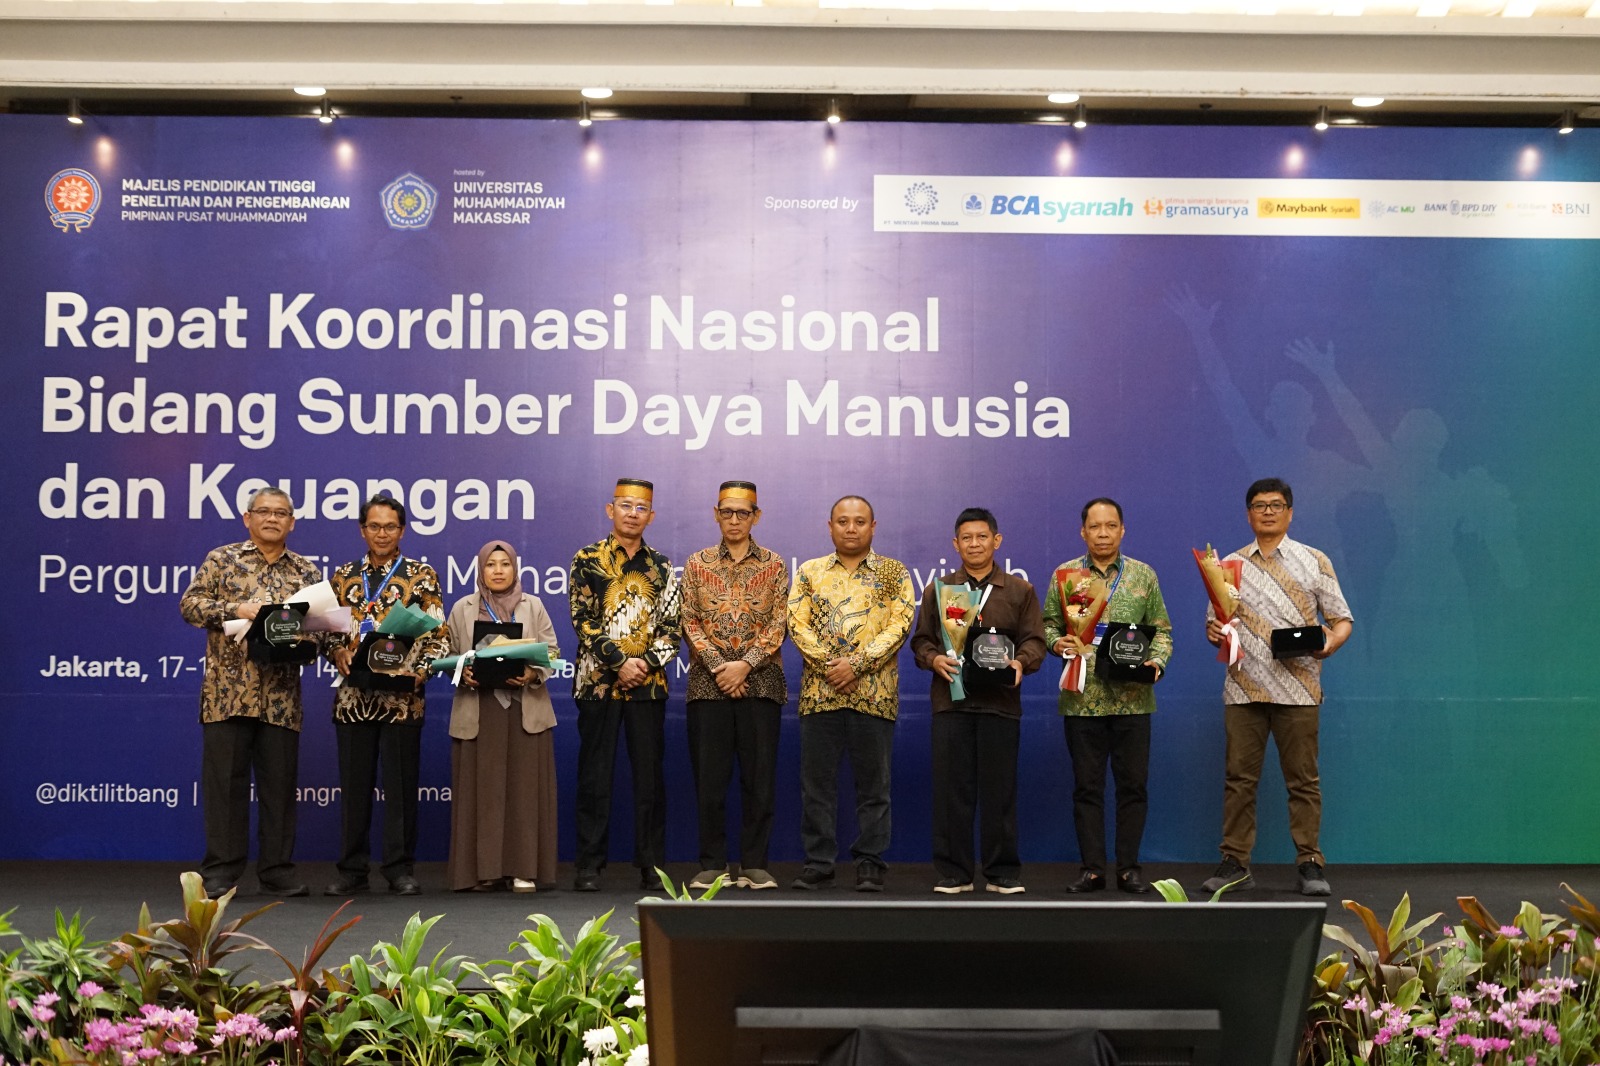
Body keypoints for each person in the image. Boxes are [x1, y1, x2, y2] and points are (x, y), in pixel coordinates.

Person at [1201, 477, 1353, 898]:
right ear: (1248, 513)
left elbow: (1342, 619)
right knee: (1239, 780)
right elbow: (1216, 623)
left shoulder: (1314, 560)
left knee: (1303, 781)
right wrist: (1213, 632)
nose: (1267, 511)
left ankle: (1310, 863)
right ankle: (1235, 863)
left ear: (1290, 512)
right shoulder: (1228, 565)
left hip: (1298, 689)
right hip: (1243, 689)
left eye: (1276, 504)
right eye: (1259, 505)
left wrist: (1330, 643)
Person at [179, 487, 324, 898]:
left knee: (279, 789)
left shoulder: (306, 571)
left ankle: (277, 871)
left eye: (281, 513)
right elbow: (190, 605)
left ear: (292, 522)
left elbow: (323, 629)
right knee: (225, 787)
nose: (272, 518)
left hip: (281, 699)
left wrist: (305, 639)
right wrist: (236, 609)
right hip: (227, 695)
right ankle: (221, 873)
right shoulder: (222, 559)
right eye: (264, 511)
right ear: (248, 518)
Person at [1040, 498, 1173, 895]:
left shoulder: (1143, 575)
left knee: (1133, 788)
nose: (1103, 533)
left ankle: (1129, 869)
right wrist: (1057, 643)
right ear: (1083, 531)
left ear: (1122, 530)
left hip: (1134, 699)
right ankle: (1093, 870)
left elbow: (1162, 631)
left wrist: (1157, 661)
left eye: (1110, 526)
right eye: (1095, 526)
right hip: (1083, 700)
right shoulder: (1066, 575)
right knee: (1087, 788)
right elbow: (1047, 625)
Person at [911, 507, 1046, 895]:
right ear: (956, 544)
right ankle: (955, 871)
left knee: (1000, 792)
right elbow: (921, 641)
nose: (975, 544)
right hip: (951, 705)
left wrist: (1021, 662)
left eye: (982, 537)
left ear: (996, 541)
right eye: (966, 538)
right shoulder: (939, 590)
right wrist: (934, 659)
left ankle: (1002, 872)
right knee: (952, 792)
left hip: (1000, 704)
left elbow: (1035, 641)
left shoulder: (1020, 591)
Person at [787, 495, 916, 892]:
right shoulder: (809, 572)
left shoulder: (894, 573)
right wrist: (833, 666)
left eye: (860, 521)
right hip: (819, 695)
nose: (851, 528)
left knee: (874, 788)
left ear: (872, 527)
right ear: (830, 527)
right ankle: (819, 863)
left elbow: (900, 624)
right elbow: (796, 624)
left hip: (874, 696)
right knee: (817, 788)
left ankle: (870, 863)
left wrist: (856, 665)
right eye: (842, 521)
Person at [324, 495, 450, 897]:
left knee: (401, 789)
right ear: (362, 530)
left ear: (402, 530)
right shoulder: (343, 576)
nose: (382, 533)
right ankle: (352, 870)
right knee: (354, 790)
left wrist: (421, 672)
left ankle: (399, 869)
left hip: (402, 701)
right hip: (352, 699)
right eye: (375, 526)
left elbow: (438, 635)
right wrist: (336, 651)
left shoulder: (421, 575)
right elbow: (325, 631)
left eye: (390, 526)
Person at [568, 478, 682, 892]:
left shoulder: (662, 567)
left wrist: (644, 664)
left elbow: (673, 628)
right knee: (594, 778)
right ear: (610, 509)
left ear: (651, 516)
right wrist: (619, 662)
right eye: (626, 505)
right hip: (597, 684)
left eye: (641, 508)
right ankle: (589, 866)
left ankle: (651, 866)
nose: (633, 513)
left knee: (649, 780)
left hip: (647, 688)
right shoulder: (587, 559)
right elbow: (582, 619)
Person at [680, 481, 789, 891]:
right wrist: (719, 667)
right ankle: (712, 863)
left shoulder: (775, 565)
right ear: (716, 514)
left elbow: (780, 621)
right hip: (708, 687)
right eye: (727, 512)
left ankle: (755, 864)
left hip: (761, 684)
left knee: (759, 781)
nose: (734, 520)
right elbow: (689, 620)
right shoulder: (697, 563)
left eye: (743, 513)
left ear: (756, 516)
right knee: (710, 781)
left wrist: (743, 666)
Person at [444, 539, 561, 893]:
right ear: (481, 570)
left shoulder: (533, 605)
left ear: (515, 568)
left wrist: (532, 672)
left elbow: (552, 652)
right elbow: (447, 654)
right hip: (478, 710)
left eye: (505, 564)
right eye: (490, 565)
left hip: (525, 709)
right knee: (483, 794)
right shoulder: (462, 608)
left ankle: (523, 870)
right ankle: (485, 871)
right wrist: (461, 671)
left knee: (524, 792)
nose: (498, 571)